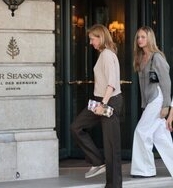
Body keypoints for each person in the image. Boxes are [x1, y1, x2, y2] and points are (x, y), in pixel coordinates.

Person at [71, 24, 123, 188]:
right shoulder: (103, 54)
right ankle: (97, 161)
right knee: (76, 127)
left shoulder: (107, 55)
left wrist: (103, 104)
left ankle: (113, 185)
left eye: (92, 39)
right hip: (100, 100)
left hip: (109, 101)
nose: (91, 42)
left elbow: (112, 83)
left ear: (100, 37)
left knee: (111, 146)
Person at [131, 26, 173, 178]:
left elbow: (166, 82)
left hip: (158, 99)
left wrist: (166, 106)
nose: (140, 40)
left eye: (143, 37)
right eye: (138, 37)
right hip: (150, 101)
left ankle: (145, 170)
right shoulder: (141, 57)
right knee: (160, 137)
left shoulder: (157, 57)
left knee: (141, 131)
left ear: (150, 38)